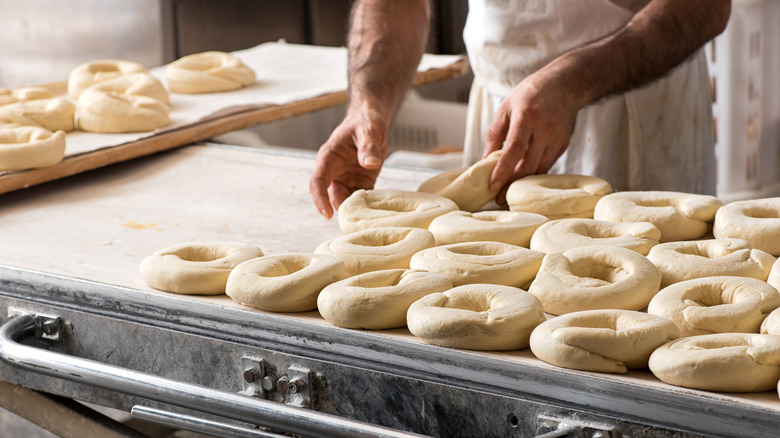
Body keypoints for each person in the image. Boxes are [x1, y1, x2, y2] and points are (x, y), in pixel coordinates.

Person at [309, 0, 732, 219]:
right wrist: (369, 102)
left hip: (633, 116)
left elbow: (704, 7)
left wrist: (573, 80)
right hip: (498, 115)